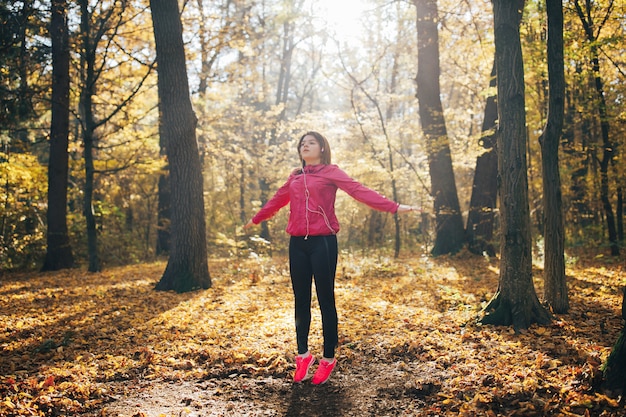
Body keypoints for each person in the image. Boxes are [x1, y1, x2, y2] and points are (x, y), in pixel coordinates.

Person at [244, 131, 419, 385]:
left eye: (311, 142)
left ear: (322, 148)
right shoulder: (295, 176)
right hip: (297, 244)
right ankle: (303, 355)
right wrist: (257, 218)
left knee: (326, 299)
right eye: (303, 143)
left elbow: (359, 191)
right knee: (300, 299)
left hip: (323, 242)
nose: (306, 146)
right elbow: (276, 201)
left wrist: (394, 207)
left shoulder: (331, 172)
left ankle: (327, 358)